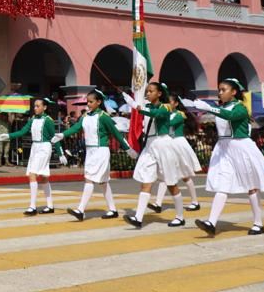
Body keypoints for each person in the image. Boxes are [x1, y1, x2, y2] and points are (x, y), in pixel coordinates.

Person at [191, 78, 264, 236]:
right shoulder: (223, 107)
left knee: (251, 186)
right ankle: (211, 222)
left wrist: (209, 108)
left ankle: (258, 223)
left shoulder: (240, 108)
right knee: (222, 184)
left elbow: (230, 116)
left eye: (223, 89)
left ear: (234, 92)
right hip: (224, 149)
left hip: (241, 148)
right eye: (219, 90)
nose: (220, 92)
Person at [53, 89, 134, 220]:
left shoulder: (104, 117)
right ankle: (113, 210)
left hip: (101, 151)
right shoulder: (85, 116)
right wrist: (63, 135)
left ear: (99, 102)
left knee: (89, 179)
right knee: (103, 182)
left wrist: (128, 149)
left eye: (91, 102)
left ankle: (80, 210)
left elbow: (116, 133)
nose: (88, 104)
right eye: (87, 102)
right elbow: (76, 128)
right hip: (90, 151)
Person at [122, 83, 186, 228]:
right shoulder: (148, 107)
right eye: (147, 91)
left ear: (159, 94)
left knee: (171, 183)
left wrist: (135, 105)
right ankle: (138, 218)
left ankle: (180, 216)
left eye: (151, 91)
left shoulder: (166, 107)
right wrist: (133, 101)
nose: (148, 94)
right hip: (150, 146)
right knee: (146, 181)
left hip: (163, 144)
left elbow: (156, 114)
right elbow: (145, 110)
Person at [0, 97, 66, 216]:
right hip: (35, 148)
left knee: (32, 174)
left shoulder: (48, 120)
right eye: (34, 106)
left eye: (38, 106)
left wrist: (60, 153)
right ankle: (50, 206)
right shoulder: (33, 119)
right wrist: (8, 136)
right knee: (44, 177)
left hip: (44, 148)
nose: (35, 108)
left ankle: (32, 206)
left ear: (44, 107)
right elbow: (23, 131)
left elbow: (54, 137)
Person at [148, 93, 202, 214]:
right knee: (165, 174)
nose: (167, 104)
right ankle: (158, 203)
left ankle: (195, 201)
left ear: (176, 104)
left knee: (185, 175)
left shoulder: (179, 114)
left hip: (178, 144)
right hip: (169, 144)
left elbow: (168, 124)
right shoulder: (166, 113)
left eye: (170, 102)